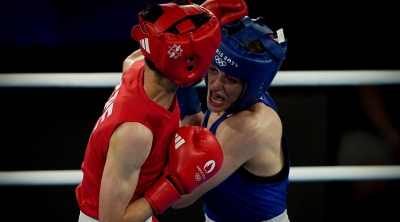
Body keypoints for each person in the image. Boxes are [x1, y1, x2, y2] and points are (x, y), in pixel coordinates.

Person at [75, 1, 224, 221]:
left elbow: (153, 48)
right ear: (190, 62)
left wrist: (197, 18)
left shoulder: (138, 67)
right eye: (209, 49)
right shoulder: (136, 132)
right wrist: (172, 185)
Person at [171, 3, 291, 221]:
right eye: (214, 70)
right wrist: (185, 44)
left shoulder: (248, 127)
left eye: (230, 79)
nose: (215, 85)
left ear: (253, 85)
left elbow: (180, 197)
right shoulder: (233, 101)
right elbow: (195, 126)